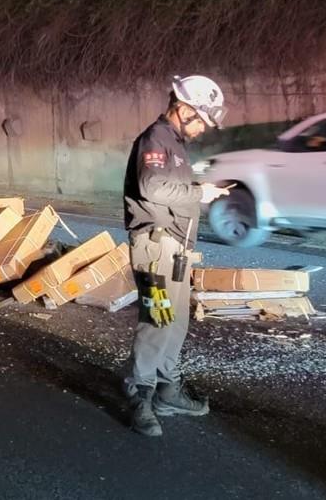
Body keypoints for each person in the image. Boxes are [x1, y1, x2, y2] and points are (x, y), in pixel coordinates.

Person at [123, 75, 231, 437]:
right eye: (200, 119)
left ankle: (167, 390)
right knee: (157, 321)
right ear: (183, 109)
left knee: (176, 322)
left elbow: (173, 190)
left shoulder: (176, 144)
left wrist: (199, 191)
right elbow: (151, 186)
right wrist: (199, 192)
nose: (203, 128)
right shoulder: (156, 139)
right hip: (156, 250)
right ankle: (140, 396)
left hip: (176, 250)